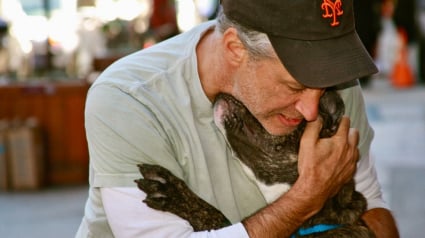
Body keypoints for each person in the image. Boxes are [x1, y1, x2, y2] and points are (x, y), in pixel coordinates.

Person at [76, 0, 399, 237]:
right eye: (294, 86)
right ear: (234, 48)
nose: (312, 110)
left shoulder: (337, 82)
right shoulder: (130, 99)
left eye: (324, 85)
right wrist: (305, 198)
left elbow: (368, 203)